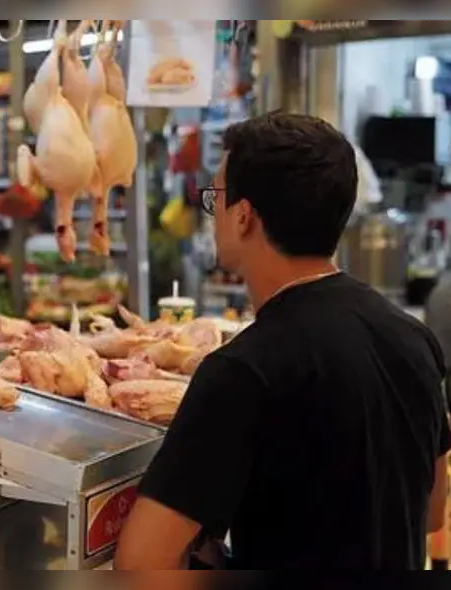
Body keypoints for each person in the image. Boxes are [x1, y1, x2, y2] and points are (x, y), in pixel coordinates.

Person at [115, 112, 451, 570]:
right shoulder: (414, 338)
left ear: (244, 217)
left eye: (216, 199)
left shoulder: (243, 369)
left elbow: (141, 563)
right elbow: (432, 513)